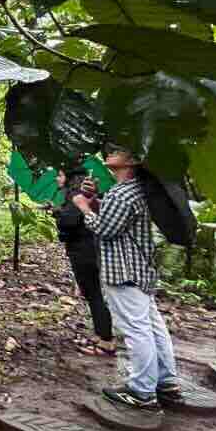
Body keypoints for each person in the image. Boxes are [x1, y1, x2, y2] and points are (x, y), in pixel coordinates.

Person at [73, 150, 178, 410]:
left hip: (123, 271)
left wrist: (84, 207)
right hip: (139, 269)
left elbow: (105, 230)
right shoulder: (134, 190)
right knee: (152, 327)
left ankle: (142, 391)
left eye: (117, 151)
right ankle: (166, 383)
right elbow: (117, 222)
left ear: (131, 162)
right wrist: (97, 201)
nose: (110, 152)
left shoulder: (122, 193)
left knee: (136, 330)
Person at [50, 166, 115, 357]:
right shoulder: (79, 193)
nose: (56, 179)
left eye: (60, 175)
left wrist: (58, 214)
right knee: (92, 293)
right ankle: (100, 334)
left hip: (83, 248)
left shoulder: (75, 194)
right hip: (89, 247)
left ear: (69, 177)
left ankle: (106, 341)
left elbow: (69, 222)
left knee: (93, 293)